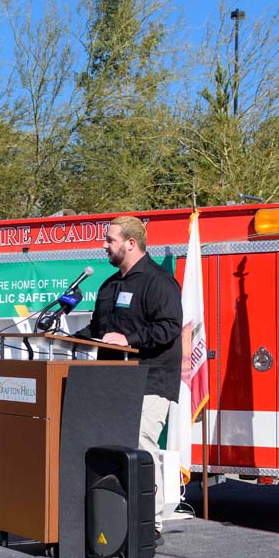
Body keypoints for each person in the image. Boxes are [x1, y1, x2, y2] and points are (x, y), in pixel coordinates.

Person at [74, 215, 182, 540]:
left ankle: (152, 525)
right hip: (113, 381)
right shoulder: (110, 285)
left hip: (151, 379)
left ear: (130, 243)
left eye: (110, 240)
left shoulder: (158, 281)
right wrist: (67, 337)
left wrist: (129, 339)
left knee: (141, 443)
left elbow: (169, 327)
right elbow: (98, 330)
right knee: (114, 445)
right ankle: (118, 514)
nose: (104, 245)